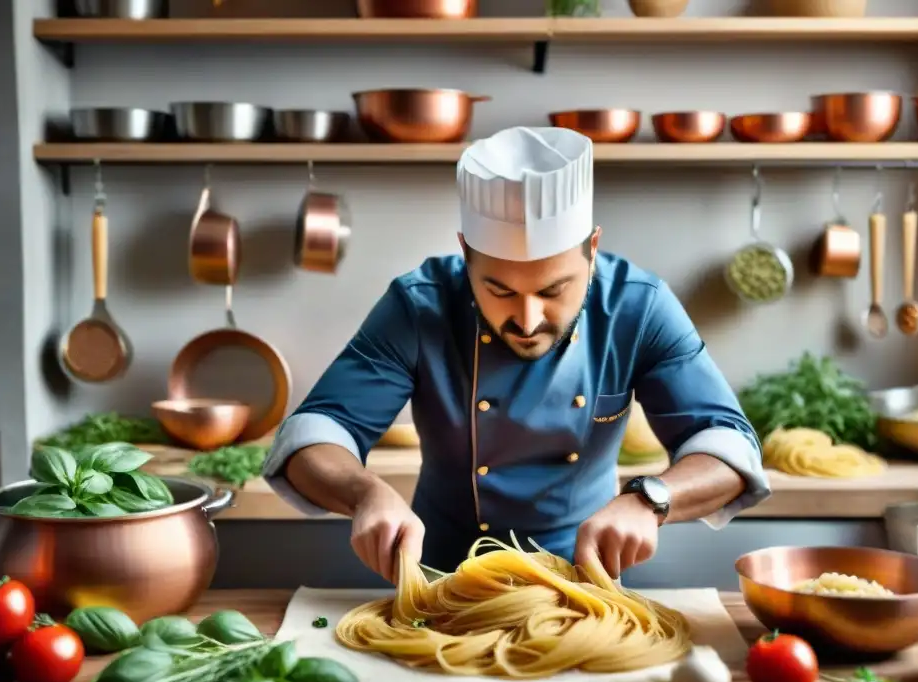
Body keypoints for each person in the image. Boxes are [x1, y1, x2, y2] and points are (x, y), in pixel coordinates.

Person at [263, 125, 771, 583]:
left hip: (587, 582)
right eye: (500, 290)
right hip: (443, 579)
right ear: (465, 253)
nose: (527, 320)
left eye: (554, 290)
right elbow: (318, 431)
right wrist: (364, 492)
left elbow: (727, 443)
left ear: (592, 249)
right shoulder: (420, 306)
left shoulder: (638, 306)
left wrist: (651, 499)